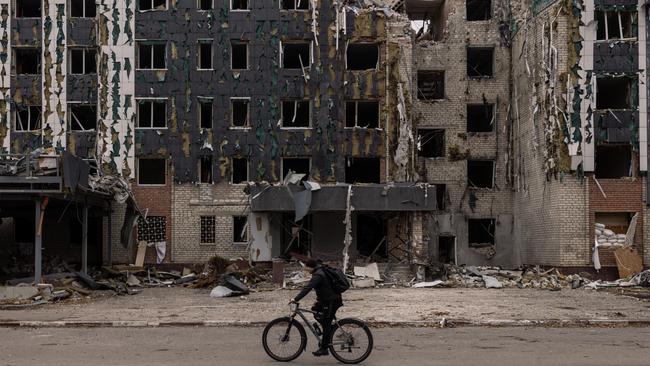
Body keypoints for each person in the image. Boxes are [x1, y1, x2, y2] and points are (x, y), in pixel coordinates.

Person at [290, 259, 343, 357]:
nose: (305, 269)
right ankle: (329, 333)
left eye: (305, 267)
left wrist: (295, 299)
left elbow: (308, 288)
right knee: (315, 310)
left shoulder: (318, 275)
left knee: (326, 323)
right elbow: (323, 288)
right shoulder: (319, 271)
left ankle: (324, 348)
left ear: (310, 267)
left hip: (332, 301)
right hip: (326, 300)